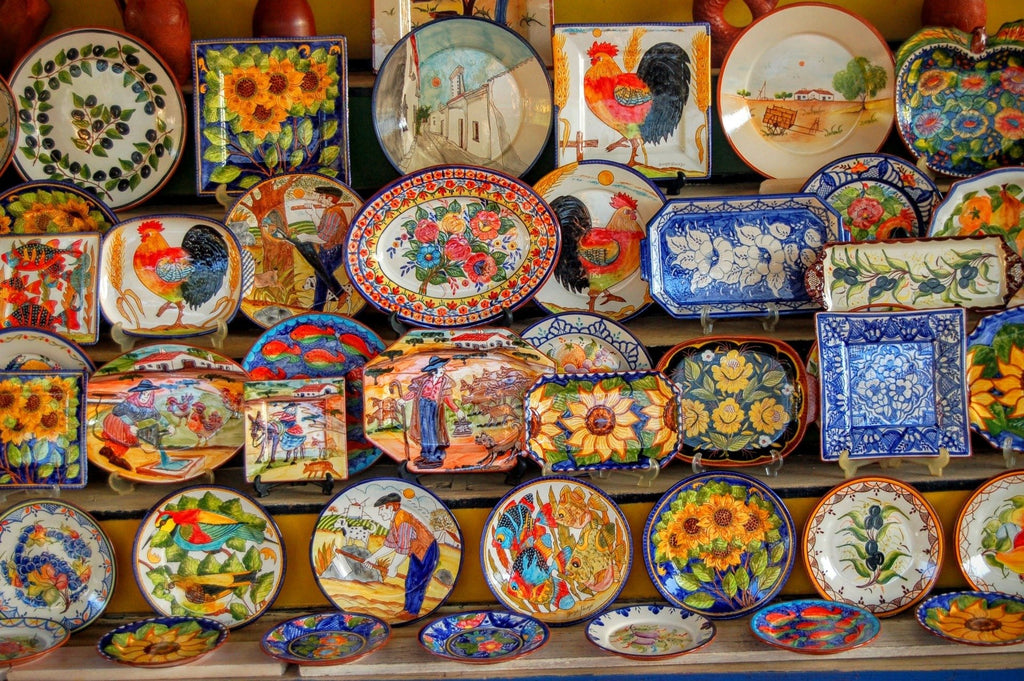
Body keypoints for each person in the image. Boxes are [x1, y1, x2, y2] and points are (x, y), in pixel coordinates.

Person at [367, 492, 439, 619]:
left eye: (381, 509)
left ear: (390, 507)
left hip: (426, 551)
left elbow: (403, 549)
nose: (380, 513)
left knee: (417, 581)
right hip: (417, 552)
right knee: (411, 580)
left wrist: (393, 567)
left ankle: (412, 612)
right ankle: (408, 610)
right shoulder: (396, 520)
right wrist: (372, 558)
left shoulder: (403, 520)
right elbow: (389, 545)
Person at [97, 379, 174, 468]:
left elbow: (158, 417)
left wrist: (169, 425)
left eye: (148, 394)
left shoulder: (150, 408)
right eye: (144, 393)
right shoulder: (129, 403)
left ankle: (111, 454)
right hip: (118, 421)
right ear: (138, 393)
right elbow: (116, 411)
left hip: (130, 425)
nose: (146, 396)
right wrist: (130, 425)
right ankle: (112, 454)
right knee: (120, 439)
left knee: (125, 441)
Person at [405, 355, 460, 469]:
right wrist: (403, 399)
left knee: (432, 432)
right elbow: (414, 392)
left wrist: (456, 410)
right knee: (424, 431)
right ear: (434, 371)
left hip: (434, 406)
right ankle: (426, 454)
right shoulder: (423, 380)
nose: (444, 370)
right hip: (422, 405)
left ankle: (434, 457)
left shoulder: (445, 382)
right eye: (441, 368)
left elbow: (447, 399)